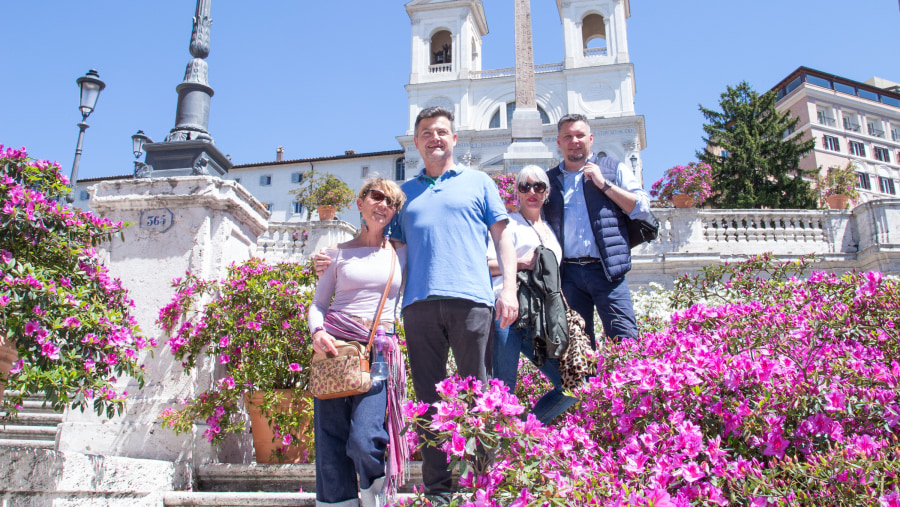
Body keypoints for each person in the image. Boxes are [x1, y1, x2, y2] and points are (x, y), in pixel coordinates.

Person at [315, 107, 519, 499]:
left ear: (454, 139)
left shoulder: (479, 182)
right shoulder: (403, 195)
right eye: (426, 132)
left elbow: (503, 239)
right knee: (428, 402)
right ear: (417, 141)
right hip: (418, 307)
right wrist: (334, 253)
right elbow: (383, 248)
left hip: (472, 302)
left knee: (478, 396)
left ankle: (482, 486)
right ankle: (439, 490)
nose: (435, 138)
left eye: (442, 131)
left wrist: (507, 289)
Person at [308, 177, 408, 507]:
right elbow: (319, 304)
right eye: (376, 196)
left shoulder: (401, 252)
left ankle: (372, 488)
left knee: (367, 436)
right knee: (331, 434)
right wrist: (317, 333)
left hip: (379, 348)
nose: (383, 204)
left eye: (391, 202)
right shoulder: (335, 254)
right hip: (335, 344)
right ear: (360, 202)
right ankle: (338, 502)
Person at [544, 113, 652, 345]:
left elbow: (642, 208)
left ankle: (627, 382)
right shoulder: (549, 181)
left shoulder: (613, 168)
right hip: (569, 275)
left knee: (625, 341)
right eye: (568, 136)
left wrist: (604, 184)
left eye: (580, 135)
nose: (575, 141)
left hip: (607, 269)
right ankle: (587, 383)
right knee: (577, 348)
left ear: (590, 138)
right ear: (559, 142)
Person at [487, 165, 576, 425]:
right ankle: (497, 457)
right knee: (503, 389)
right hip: (508, 313)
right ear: (517, 192)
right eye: (525, 186)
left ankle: (527, 431)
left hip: (540, 320)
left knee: (572, 383)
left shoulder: (550, 231)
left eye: (538, 186)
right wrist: (521, 262)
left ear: (547, 192)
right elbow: (485, 264)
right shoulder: (507, 225)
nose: (532, 192)